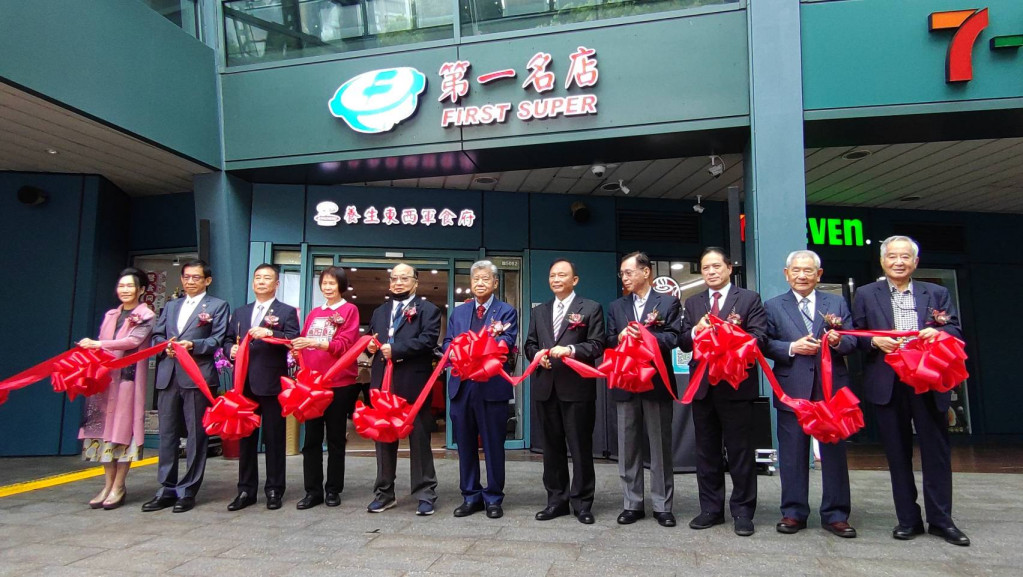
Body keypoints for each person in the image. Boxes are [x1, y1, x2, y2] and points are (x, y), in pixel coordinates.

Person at [852, 235, 969, 546]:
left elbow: (955, 329)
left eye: (905, 257)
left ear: (915, 262)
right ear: (883, 261)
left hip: (928, 380)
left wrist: (939, 332)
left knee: (937, 454)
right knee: (897, 454)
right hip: (889, 382)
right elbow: (856, 334)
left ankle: (942, 521)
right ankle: (908, 519)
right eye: (893, 257)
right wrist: (874, 341)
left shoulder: (937, 292)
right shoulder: (865, 293)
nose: (899, 262)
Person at [764, 250, 857, 538]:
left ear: (819, 274)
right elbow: (765, 343)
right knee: (792, 455)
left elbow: (853, 340)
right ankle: (793, 513)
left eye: (808, 271)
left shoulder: (837, 302)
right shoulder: (773, 305)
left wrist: (839, 341)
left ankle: (836, 514)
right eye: (796, 270)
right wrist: (792, 347)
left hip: (831, 390)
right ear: (786, 273)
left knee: (834, 455)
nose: (802, 275)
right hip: (792, 388)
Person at [680, 247, 768, 536]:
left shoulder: (748, 299)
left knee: (740, 451)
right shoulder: (693, 303)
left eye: (717, 266)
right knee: (706, 452)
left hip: (736, 386)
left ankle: (743, 511)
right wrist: (696, 331)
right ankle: (711, 509)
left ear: (729, 268)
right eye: (706, 268)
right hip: (704, 387)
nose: (711, 272)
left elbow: (760, 337)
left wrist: (728, 334)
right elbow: (682, 341)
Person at [524, 259, 605, 524]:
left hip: (577, 389)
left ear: (575, 280)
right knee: (551, 448)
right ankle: (556, 500)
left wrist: (571, 350)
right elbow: (530, 344)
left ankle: (582, 503)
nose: (556, 279)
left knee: (580, 447)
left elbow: (596, 345)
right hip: (546, 387)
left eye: (562, 275)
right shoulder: (539, 311)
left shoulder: (591, 308)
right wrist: (538, 356)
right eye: (552, 275)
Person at [144, 260, 229, 513]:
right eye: (186, 277)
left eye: (196, 277)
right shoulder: (171, 306)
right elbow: (157, 335)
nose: (190, 281)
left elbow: (219, 339)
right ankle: (166, 488)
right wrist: (165, 345)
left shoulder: (217, 306)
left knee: (196, 436)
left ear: (207, 280)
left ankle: (188, 489)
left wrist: (195, 346)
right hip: (169, 375)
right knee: (167, 435)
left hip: (198, 377)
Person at [606, 251, 680, 528]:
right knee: (628, 445)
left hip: (656, 381)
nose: (625, 277)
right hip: (626, 381)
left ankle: (663, 504)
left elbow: (673, 337)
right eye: (622, 274)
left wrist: (646, 336)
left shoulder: (668, 302)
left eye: (629, 272)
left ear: (646, 272)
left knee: (660, 445)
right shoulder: (616, 306)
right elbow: (608, 338)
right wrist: (621, 336)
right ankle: (632, 503)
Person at [444, 260, 518, 519]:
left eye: (485, 279)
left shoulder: (506, 311)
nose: (480, 283)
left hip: (492, 389)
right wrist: (454, 352)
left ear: (495, 283)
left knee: (493, 445)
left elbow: (506, 342)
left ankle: (494, 497)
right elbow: (446, 343)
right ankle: (470, 495)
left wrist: (476, 351)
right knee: (465, 445)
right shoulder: (459, 313)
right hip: (462, 388)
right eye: (476, 279)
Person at [223, 264, 300, 511]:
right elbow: (226, 340)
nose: (261, 282)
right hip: (243, 384)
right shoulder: (240, 312)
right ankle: (246, 490)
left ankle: (275, 489)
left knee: (274, 438)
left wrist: (270, 331)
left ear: (276, 283)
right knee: (246, 438)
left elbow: (292, 340)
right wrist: (230, 350)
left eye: (267, 278)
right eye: (258, 278)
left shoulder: (286, 312)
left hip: (271, 383)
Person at [365, 263, 441, 516]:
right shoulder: (379, 311)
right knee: (383, 438)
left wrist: (395, 350)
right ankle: (384, 493)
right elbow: (370, 340)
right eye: (394, 278)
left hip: (414, 383)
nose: (398, 282)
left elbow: (428, 341)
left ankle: (425, 493)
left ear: (416, 282)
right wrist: (372, 348)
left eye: (404, 278)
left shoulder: (428, 310)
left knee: (419, 438)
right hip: (383, 384)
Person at [77, 267, 156, 510]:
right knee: (102, 432)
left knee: (122, 432)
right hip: (104, 381)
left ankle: (119, 485)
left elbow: (132, 342)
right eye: (121, 286)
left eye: (130, 286)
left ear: (141, 290)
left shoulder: (147, 316)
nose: (125, 290)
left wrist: (98, 344)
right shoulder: (112, 314)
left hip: (127, 382)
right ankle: (107, 484)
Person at [290, 266, 361, 510]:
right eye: (324, 283)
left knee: (335, 438)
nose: (327, 287)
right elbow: (303, 341)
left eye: (332, 283)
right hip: (312, 385)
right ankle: (312, 491)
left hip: (338, 383)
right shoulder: (313, 313)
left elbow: (345, 344)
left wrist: (315, 342)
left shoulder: (349, 310)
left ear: (341, 286)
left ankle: (333, 489)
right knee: (310, 439)